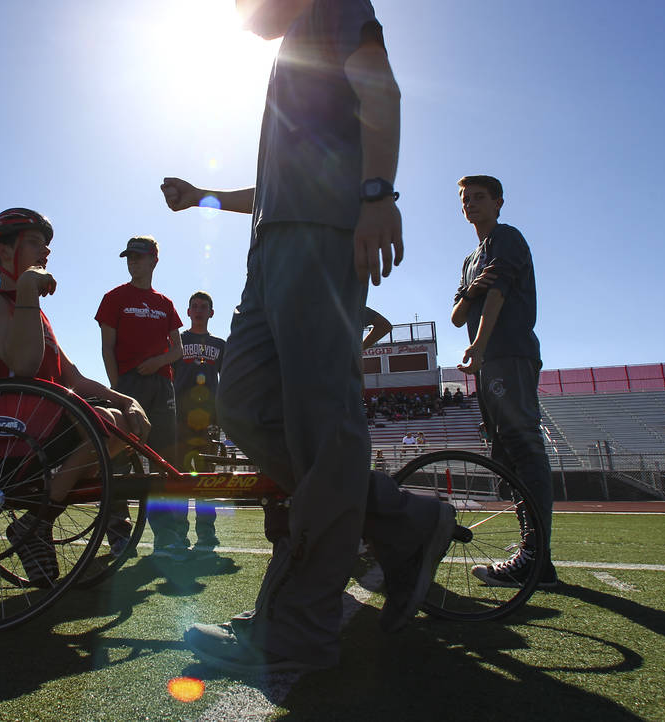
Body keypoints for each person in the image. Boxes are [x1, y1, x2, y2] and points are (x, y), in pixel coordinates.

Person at [160, 0, 456, 675]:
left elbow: (379, 81)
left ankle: (298, 627)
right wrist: (204, 196)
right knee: (244, 407)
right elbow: (273, 185)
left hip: (320, 238)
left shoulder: (333, 5)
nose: (238, 9)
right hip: (269, 253)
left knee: (323, 427)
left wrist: (380, 194)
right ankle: (404, 521)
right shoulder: (291, 44)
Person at [0, 208, 151, 584]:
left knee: (123, 419)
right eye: (35, 242)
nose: (46, 251)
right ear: (2, 252)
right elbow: (23, 366)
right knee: (108, 424)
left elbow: (74, 377)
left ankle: (40, 522)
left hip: (51, 418)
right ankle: (37, 524)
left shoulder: (36, 313)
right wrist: (26, 291)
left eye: (47, 245)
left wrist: (124, 399)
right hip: (12, 424)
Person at [451, 174, 558, 589]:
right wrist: (473, 292)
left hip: (508, 353)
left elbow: (494, 295)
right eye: (465, 199)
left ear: (498, 202)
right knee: (507, 456)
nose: (471, 204)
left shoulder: (507, 238)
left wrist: (478, 345)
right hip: (489, 362)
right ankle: (533, 559)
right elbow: (457, 313)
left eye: (479, 197)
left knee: (522, 444)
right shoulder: (470, 258)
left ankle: (535, 556)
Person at [95, 236, 187, 560]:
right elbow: (107, 347)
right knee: (119, 459)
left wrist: (157, 362)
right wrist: (117, 389)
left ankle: (167, 537)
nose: (132, 262)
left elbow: (177, 349)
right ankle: (119, 535)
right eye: (129, 257)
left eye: (138, 256)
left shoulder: (164, 303)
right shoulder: (114, 297)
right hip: (128, 386)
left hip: (162, 386)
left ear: (153, 260)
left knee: (165, 461)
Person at [172, 291, 228, 556]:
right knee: (180, 479)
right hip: (180, 419)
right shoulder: (177, 340)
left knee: (206, 480)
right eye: (194, 306)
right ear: (188, 311)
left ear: (211, 312)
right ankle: (179, 534)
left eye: (203, 306)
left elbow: (229, 379)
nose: (198, 310)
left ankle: (207, 533)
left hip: (209, 421)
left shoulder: (220, 344)